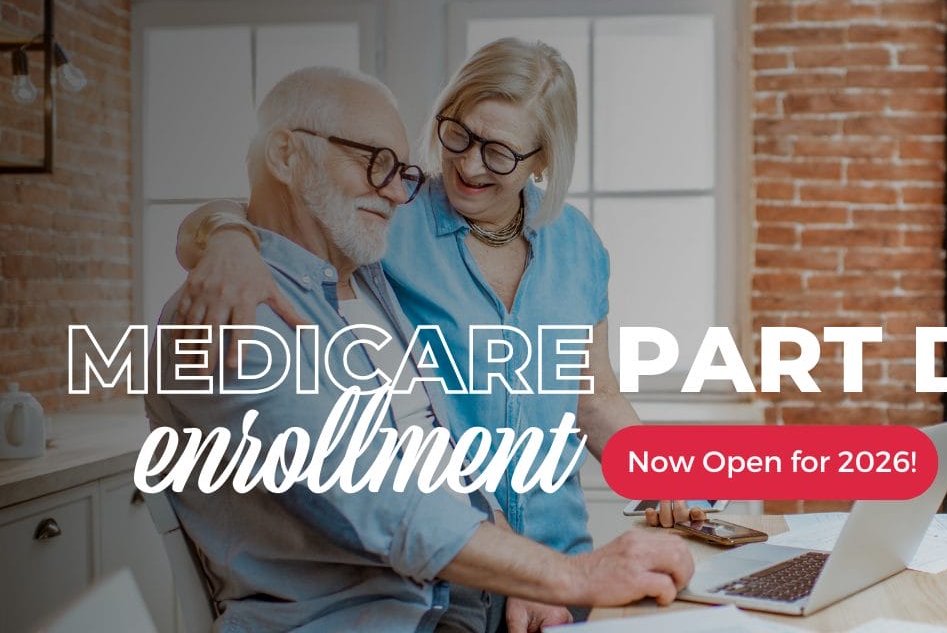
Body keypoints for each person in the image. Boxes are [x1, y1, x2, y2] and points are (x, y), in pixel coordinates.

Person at [146, 65, 693, 633]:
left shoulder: (367, 283)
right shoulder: (244, 305)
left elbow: (566, 406)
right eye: (458, 137)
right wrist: (227, 239)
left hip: (488, 588)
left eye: (399, 169)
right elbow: (374, 499)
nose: (395, 189)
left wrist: (537, 574)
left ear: (541, 161)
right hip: (406, 604)